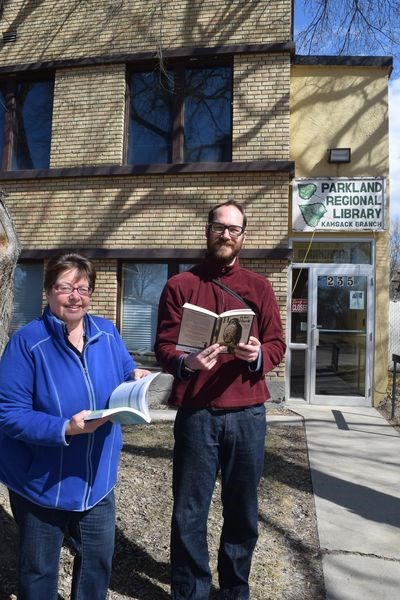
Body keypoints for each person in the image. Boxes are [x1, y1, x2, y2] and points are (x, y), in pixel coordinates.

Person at [155, 200, 286, 599]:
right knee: (189, 511)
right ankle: (190, 590)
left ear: (242, 237)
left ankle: (233, 589)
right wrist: (187, 361)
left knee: (243, 513)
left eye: (234, 229)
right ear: (207, 231)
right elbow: (163, 346)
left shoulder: (259, 288)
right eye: (219, 227)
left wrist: (258, 355)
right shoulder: (180, 286)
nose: (225, 235)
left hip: (247, 414)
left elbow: (277, 343)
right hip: (197, 415)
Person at [0, 252, 150, 600]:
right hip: (41, 483)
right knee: (39, 573)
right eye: (65, 287)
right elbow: (8, 412)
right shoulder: (27, 343)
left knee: (97, 563)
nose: (74, 297)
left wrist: (135, 375)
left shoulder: (107, 333)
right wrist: (64, 428)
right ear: (49, 292)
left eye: (83, 288)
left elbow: (125, 366)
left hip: (97, 479)